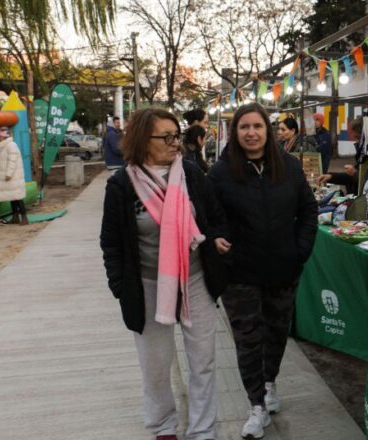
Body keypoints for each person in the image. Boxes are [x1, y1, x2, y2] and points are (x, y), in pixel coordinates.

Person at [100, 108, 230, 440]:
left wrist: (215, 238)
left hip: (196, 280)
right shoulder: (121, 185)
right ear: (144, 139)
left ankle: (203, 430)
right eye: (167, 137)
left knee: (203, 362)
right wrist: (120, 286)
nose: (176, 144)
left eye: (178, 136)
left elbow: (214, 217)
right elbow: (111, 242)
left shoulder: (190, 174)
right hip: (147, 285)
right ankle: (163, 427)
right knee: (156, 367)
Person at [207, 103, 318, 439]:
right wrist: (216, 238)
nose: (251, 133)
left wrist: (300, 252)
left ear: (267, 131)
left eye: (257, 126)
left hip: (284, 269)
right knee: (248, 339)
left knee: (275, 333)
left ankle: (269, 383)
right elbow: (209, 216)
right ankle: (255, 404)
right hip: (240, 274)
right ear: (235, 132)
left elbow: (308, 211)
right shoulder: (221, 172)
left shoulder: (289, 167)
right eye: (244, 127)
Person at [316, 117, 363, 195]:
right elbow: (350, 178)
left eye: (358, 138)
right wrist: (330, 176)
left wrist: (355, 173)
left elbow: (366, 180)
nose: (356, 141)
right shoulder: (361, 152)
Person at [0, 126, 28, 225]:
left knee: (17, 197)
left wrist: (8, 174)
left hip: (12, 176)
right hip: (9, 176)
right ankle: (15, 217)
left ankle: (24, 218)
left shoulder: (11, 145)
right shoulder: (2, 145)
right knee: (12, 197)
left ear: (3, 136)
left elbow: (12, 160)